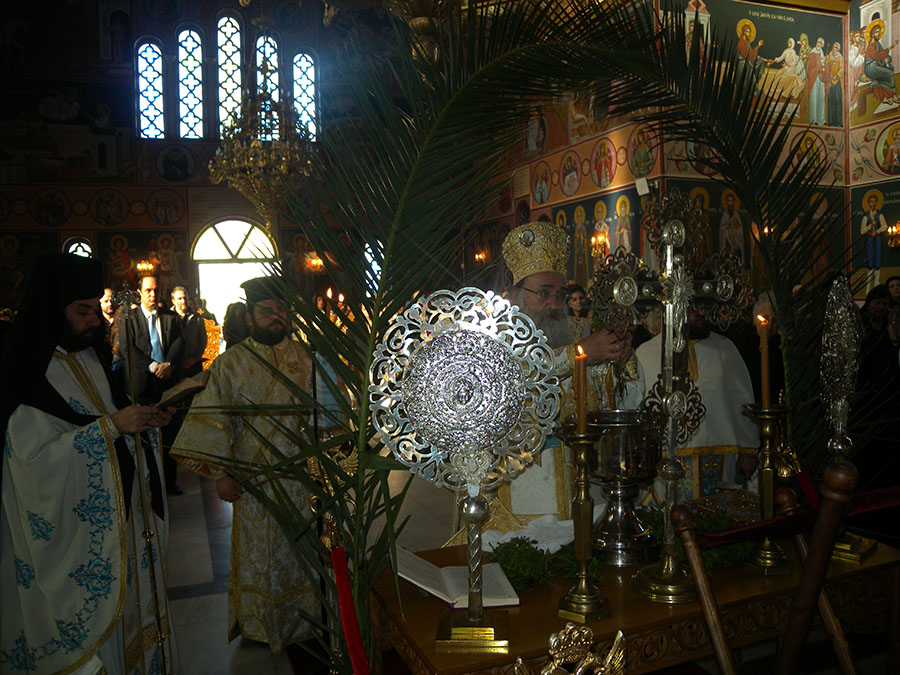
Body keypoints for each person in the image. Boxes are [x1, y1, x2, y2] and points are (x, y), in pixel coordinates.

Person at [1, 254, 178, 674]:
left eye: (95, 309)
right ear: (53, 310)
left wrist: (145, 421)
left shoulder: (89, 357)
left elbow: (110, 415)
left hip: (124, 527)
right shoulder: (27, 371)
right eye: (83, 311)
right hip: (78, 545)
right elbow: (31, 462)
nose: (94, 321)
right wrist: (113, 427)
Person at [172, 277, 335, 658]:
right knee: (260, 557)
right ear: (249, 317)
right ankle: (260, 624)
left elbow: (329, 415)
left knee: (301, 554)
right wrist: (221, 474)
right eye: (267, 311)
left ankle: (304, 621)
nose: (276, 317)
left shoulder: (307, 358)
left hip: (302, 480)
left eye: (281, 311)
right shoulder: (230, 364)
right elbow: (214, 421)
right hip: (253, 482)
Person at [500, 222, 642, 520]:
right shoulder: (496, 339)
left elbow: (604, 398)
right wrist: (579, 355)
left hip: (581, 481)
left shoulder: (576, 333)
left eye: (561, 294)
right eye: (543, 293)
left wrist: (618, 358)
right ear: (514, 295)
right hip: (524, 489)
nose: (554, 304)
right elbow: (515, 378)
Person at [636, 307, 759, 500]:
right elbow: (639, 409)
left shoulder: (724, 348)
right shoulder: (645, 353)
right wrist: (640, 459)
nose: (701, 312)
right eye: (694, 308)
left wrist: (748, 449)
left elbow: (741, 398)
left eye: (704, 306)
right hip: (665, 457)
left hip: (720, 453)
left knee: (717, 514)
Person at [127, 275, 184, 494]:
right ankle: (148, 485)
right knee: (145, 437)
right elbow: (128, 348)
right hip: (142, 385)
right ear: (140, 292)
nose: (153, 295)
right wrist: (153, 366)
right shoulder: (130, 319)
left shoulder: (170, 317)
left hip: (168, 383)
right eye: (148, 290)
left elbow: (179, 342)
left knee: (169, 434)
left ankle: (170, 483)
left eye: (156, 290)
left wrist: (168, 363)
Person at [864, 19, 900, 111]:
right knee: (888, 73)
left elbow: (882, 55)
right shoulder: (871, 46)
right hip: (871, 68)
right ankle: (893, 95)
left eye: (879, 32)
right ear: (872, 34)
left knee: (890, 68)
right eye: (877, 32)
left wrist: (887, 59)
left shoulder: (877, 43)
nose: (879, 34)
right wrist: (890, 47)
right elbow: (877, 56)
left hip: (876, 64)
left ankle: (884, 98)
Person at [170, 286, 206, 377]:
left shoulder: (197, 318)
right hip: (174, 366)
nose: (183, 301)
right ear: (173, 301)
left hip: (193, 364)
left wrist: (194, 359)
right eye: (179, 298)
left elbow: (203, 340)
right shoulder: (167, 318)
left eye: (185, 298)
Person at [860, 191, 888, 269]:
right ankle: (869, 270)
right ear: (868, 203)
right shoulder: (866, 217)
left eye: (874, 201)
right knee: (869, 253)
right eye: (871, 202)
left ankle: (877, 270)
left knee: (878, 253)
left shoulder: (879, 215)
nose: (873, 203)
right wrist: (870, 226)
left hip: (877, 237)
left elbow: (885, 226)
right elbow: (862, 231)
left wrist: (878, 231)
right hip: (869, 238)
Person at [807, 37, 827, 125]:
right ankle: (813, 119)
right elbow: (811, 66)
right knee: (814, 98)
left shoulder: (821, 52)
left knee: (821, 97)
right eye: (818, 42)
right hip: (814, 77)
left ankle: (821, 120)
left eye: (821, 43)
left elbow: (823, 63)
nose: (819, 44)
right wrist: (819, 69)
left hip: (821, 77)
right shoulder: (813, 52)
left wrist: (824, 67)